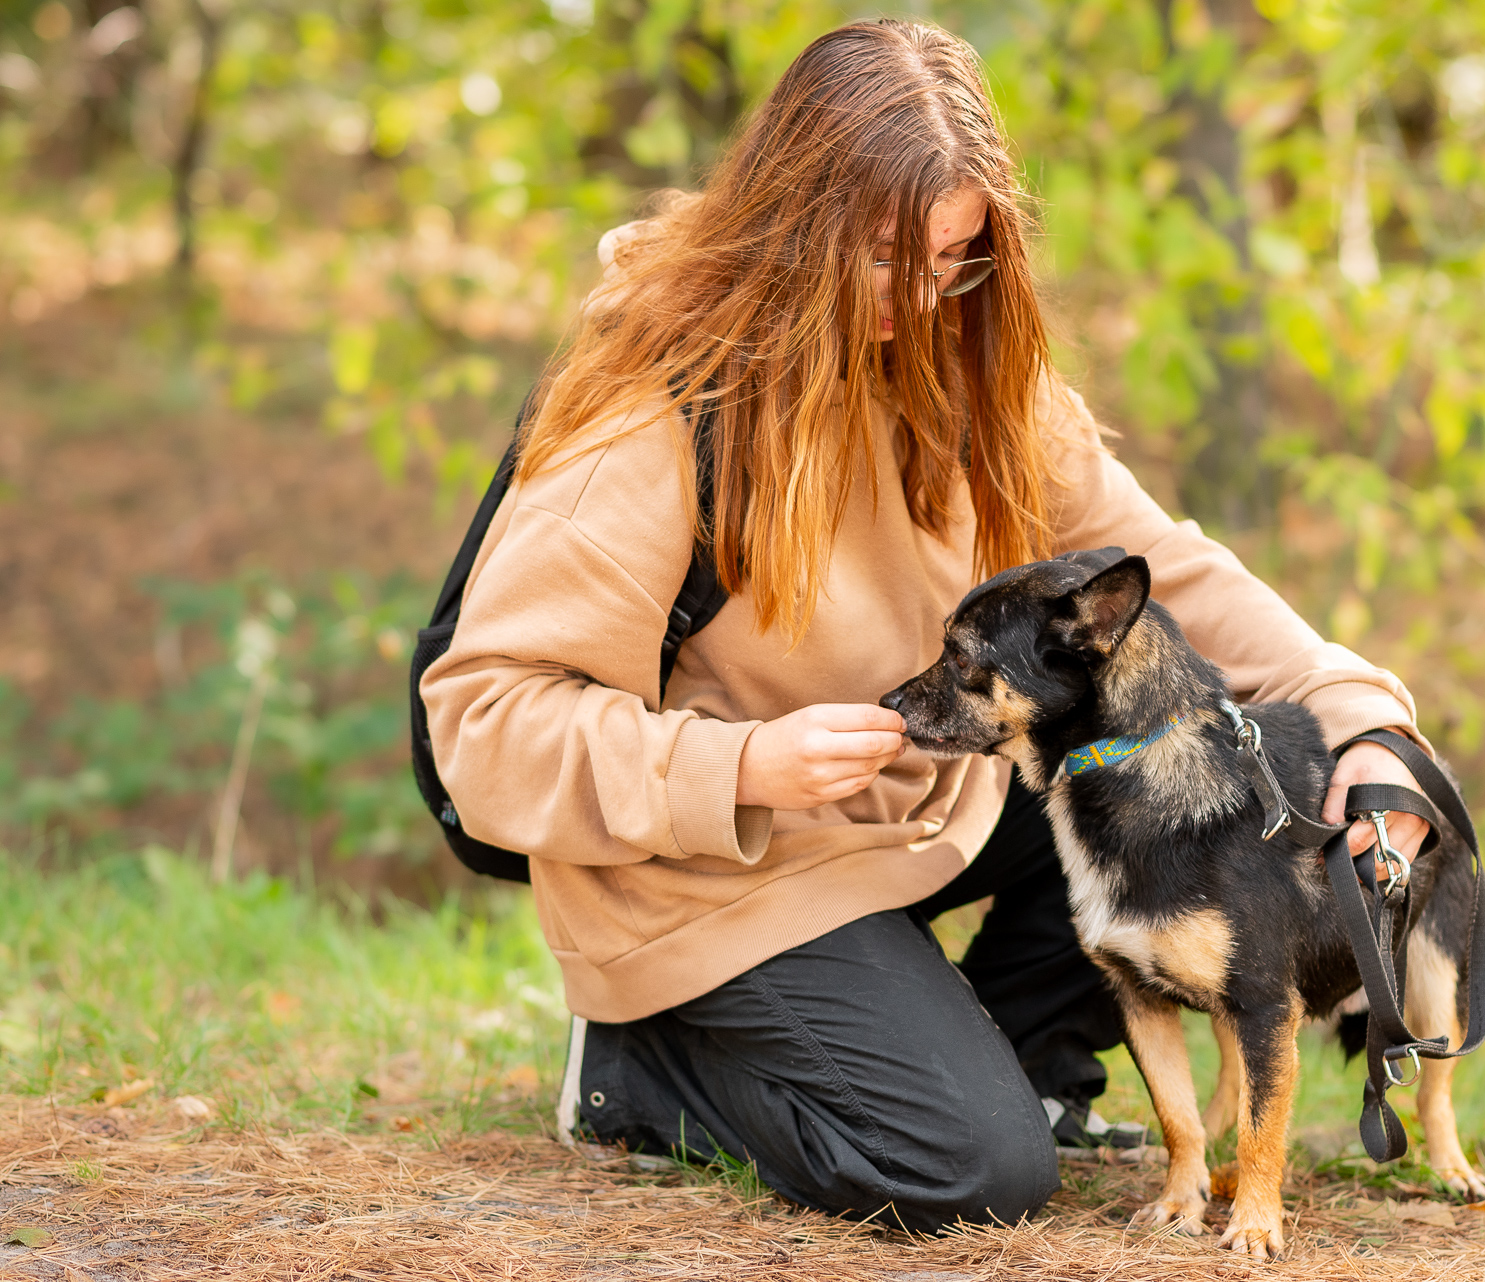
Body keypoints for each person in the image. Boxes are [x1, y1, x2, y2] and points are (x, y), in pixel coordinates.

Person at [420, 18, 1433, 1234]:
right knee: (974, 1172)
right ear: (794, 218)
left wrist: (1365, 723)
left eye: (955, 256)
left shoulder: (964, 360)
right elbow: (487, 724)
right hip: (714, 860)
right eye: (888, 257)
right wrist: (746, 764)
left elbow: (1164, 579)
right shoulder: (657, 405)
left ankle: (1017, 1058)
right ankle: (640, 1065)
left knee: (1188, 777)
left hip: (904, 808)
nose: (925, 293)